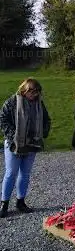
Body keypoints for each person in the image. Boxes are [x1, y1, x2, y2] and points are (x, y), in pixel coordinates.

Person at [0, 78, 51, 218]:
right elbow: (2, 119)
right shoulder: (12, 101)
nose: (35, 94)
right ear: (24, 90)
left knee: (25, 174)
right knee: (11, 173)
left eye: (37, 91)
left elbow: (47, 120)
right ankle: (4, 204)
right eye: (32, 91)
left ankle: (20, 202)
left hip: (32, 144)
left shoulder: (39, 104)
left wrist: (43, 132)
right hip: (14, 144)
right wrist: (13, 136)